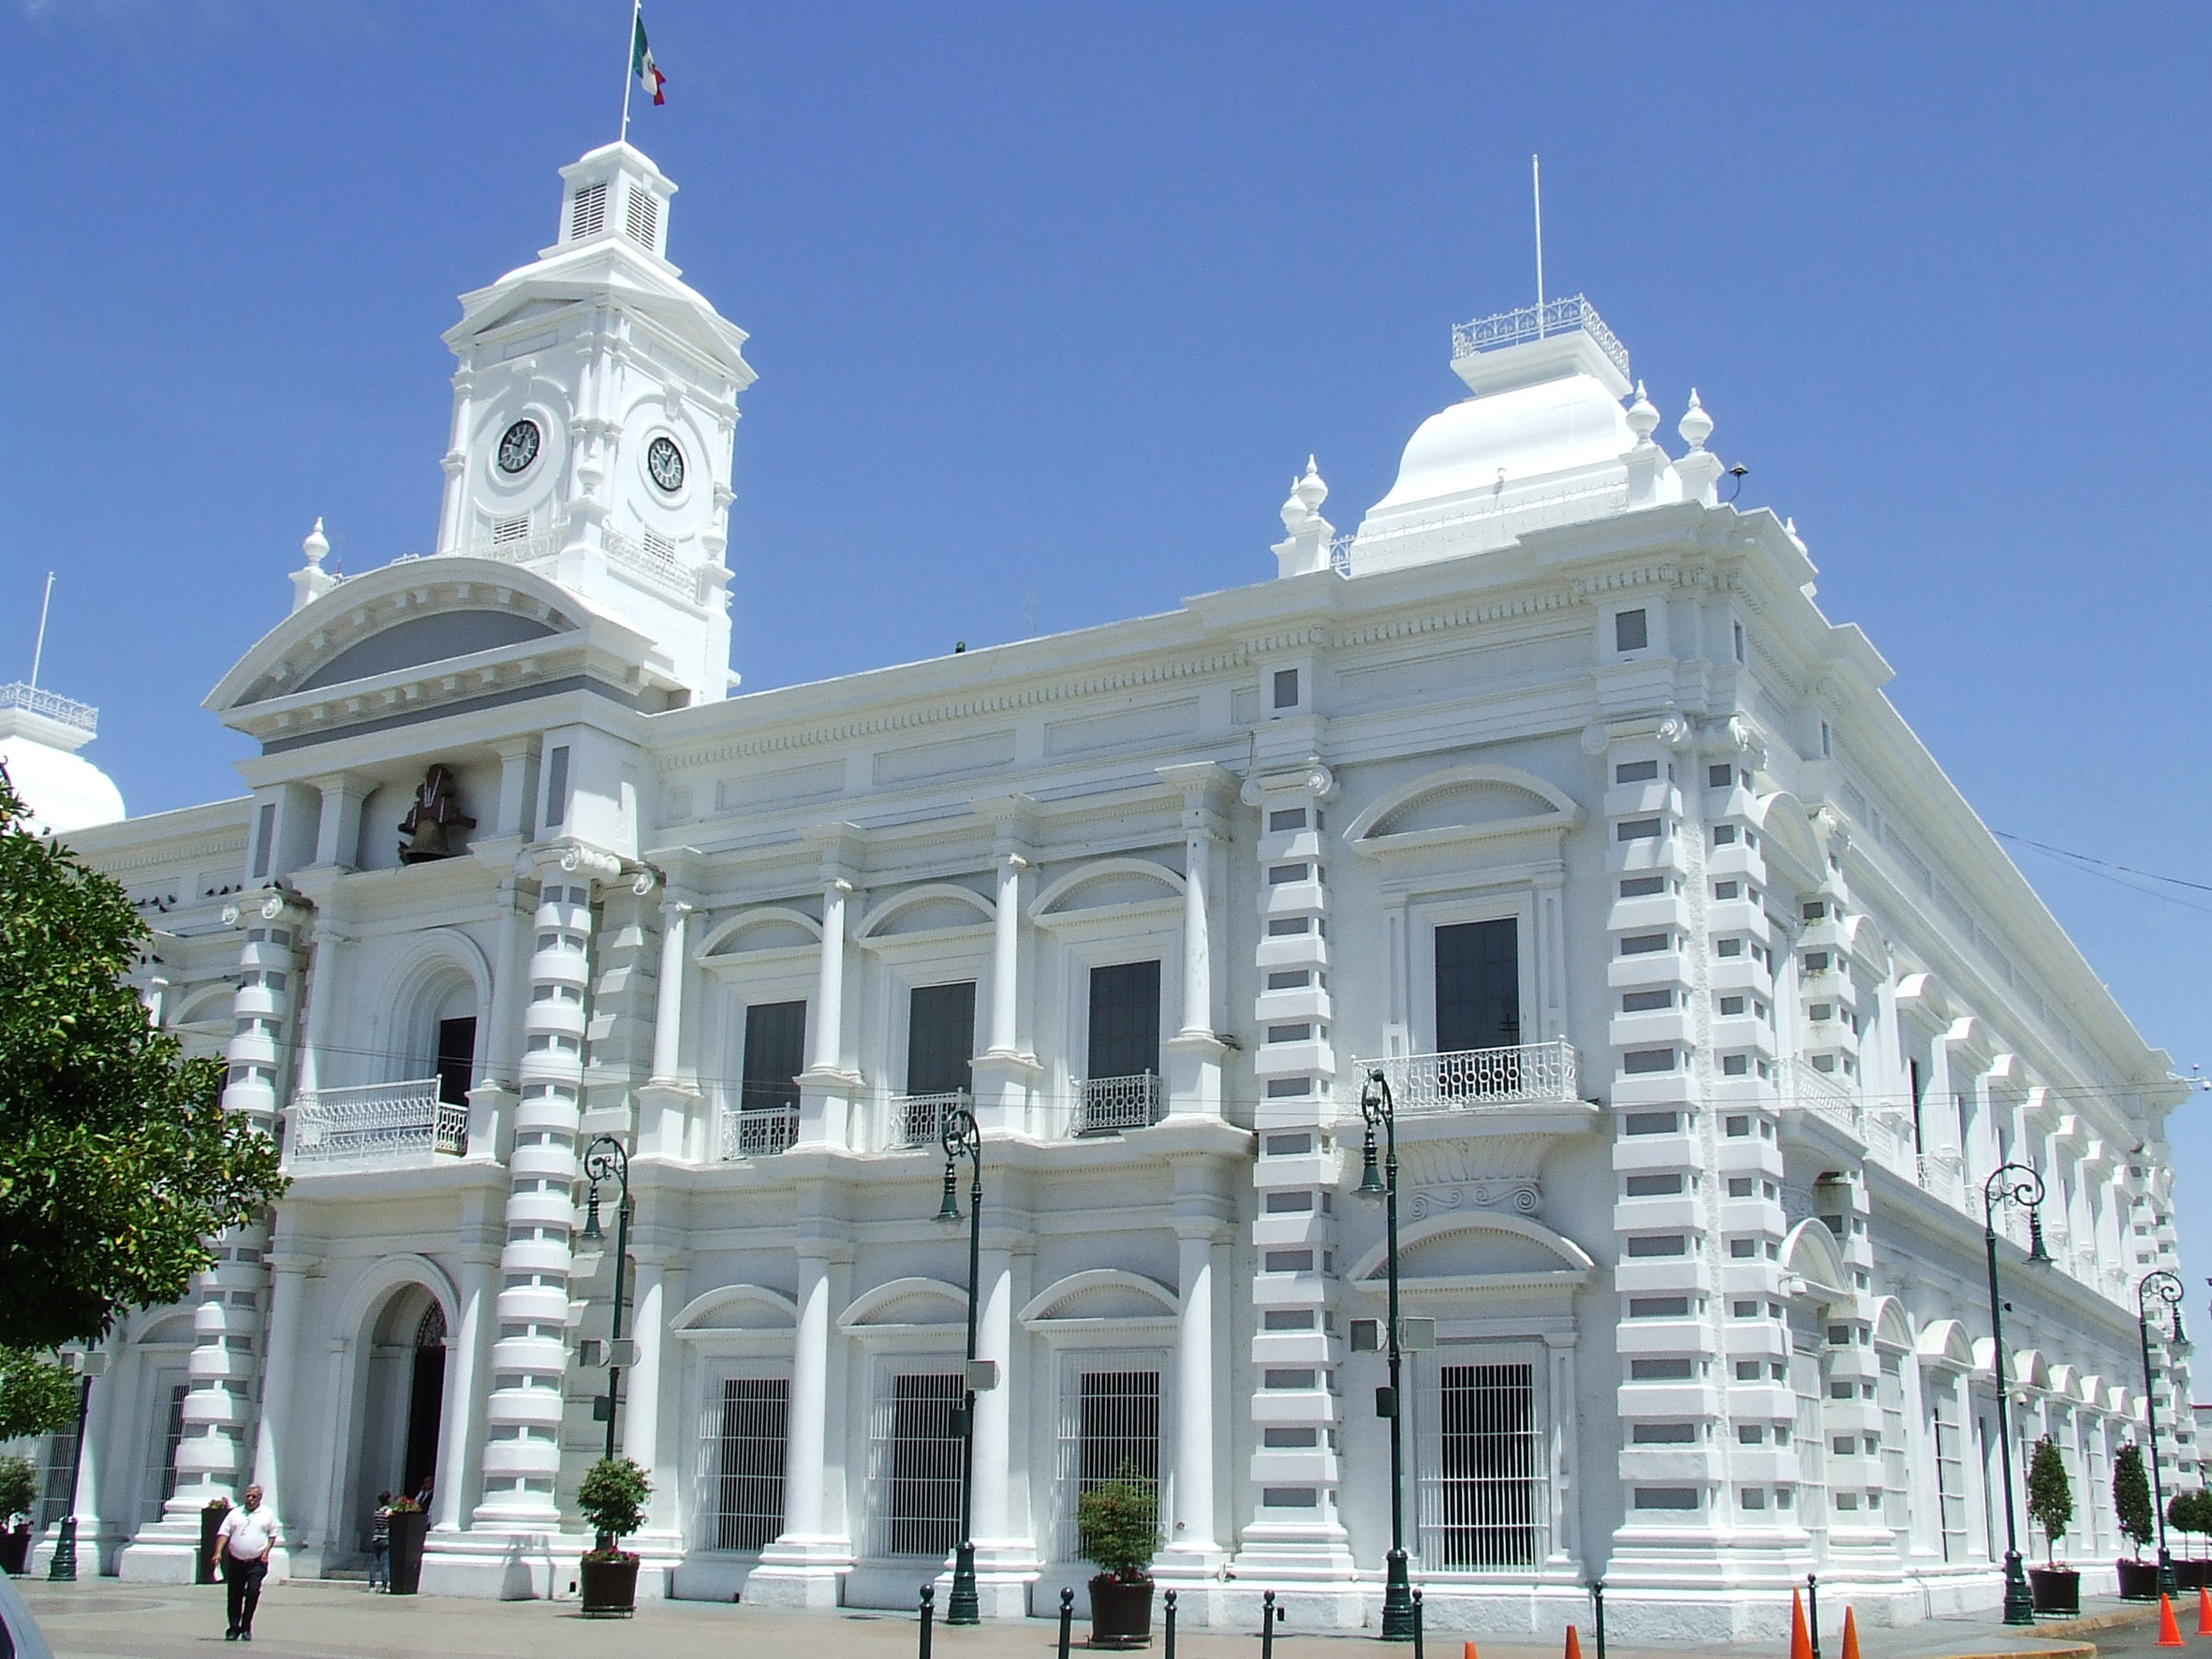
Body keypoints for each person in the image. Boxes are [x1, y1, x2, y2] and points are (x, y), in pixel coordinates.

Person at [210, 1484, 277, 1642]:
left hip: (257, 1562)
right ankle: (233, 1628)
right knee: (234, 1594)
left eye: (254, 1496)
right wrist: (218, 1552)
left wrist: (266, 1552)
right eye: (248, 1496)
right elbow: (223, 1533)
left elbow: (272, 1535)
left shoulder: (267, 1514)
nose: (250, 1499)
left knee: (253, 1591)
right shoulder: (235, 1513)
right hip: (236, 1560)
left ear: (260, 1498)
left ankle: (246, 1627)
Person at [366, 1493, 391, 1593]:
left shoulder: (376, 1512)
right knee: (385, 1563)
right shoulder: (388, 1511)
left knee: (375, 1562)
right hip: (385, 1538)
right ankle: (384, 1585)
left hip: (376, 1538)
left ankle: (371, 1585)